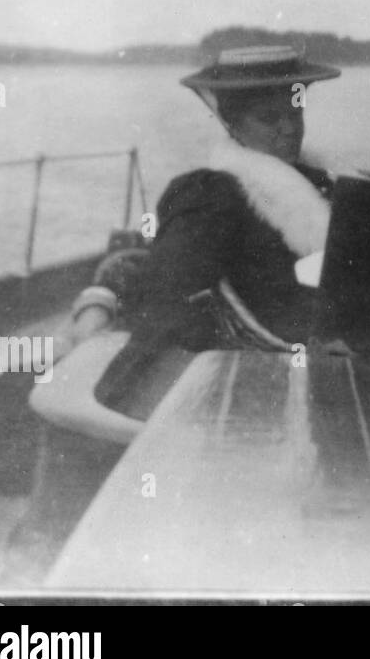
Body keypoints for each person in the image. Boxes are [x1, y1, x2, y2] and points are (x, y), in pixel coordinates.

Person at [94, 45, 342, 413]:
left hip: (333, 347)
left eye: (296, 112)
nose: (289, 129)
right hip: (273, 370)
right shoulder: (210, 194)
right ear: (233, 123)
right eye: (269, 118)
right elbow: (166, 294)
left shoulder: (321, 182)